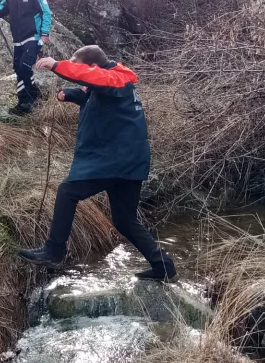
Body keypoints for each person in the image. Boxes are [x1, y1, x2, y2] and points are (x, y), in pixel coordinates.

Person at [17, 45, 178, 283]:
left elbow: (96, 81)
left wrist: (56, 65)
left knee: (68, 191)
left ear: (93, 67)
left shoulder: (116, 79)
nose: (81, 74)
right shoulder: (115, 82)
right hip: (128, 162)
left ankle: (54, 251)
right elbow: (94, 92)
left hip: (116, 161)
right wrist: (70, 94)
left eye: (81, 69)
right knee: (125, 221)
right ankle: (163, 266)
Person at [0, 0, 53, 115]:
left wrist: (45, 33)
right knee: (18, 69)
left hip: (33, 37)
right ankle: (22, 102)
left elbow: (46, 12)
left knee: (25, 66)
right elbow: (3, 7)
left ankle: (32, 98)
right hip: (17, 38)